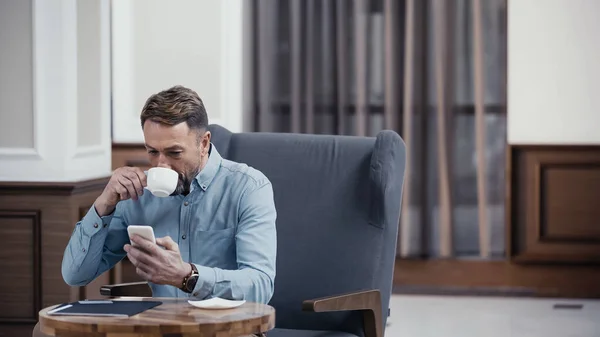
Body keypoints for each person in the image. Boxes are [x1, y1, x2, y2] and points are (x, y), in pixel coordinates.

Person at [61, 85, 277, 305]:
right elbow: (75, 275)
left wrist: (187, 276)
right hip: (162, 327)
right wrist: (103, 204)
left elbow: (260, 287)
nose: (161, 164)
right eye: (152, 152)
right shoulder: (137, 194)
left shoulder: (248, 188)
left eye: (174, 153)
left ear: (203, 143)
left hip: (230, 328)